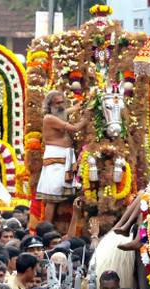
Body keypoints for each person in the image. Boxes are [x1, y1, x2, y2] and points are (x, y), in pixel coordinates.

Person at [37, 90, 88, 223]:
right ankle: (47, 228)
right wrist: (86, 119)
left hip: (65, 156)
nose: (60, 105)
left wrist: (80, 106)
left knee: (63, 191)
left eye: (62, 102)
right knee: (52, 197)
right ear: (50, 105)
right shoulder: (49, 118)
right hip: (55, 157)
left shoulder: (58, 113)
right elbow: (74, 128)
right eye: (57, 103)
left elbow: (68, 110)